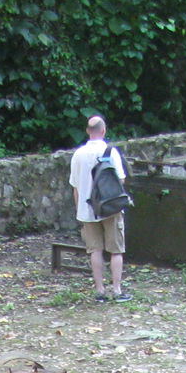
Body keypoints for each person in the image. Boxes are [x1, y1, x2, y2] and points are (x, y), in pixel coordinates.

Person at [69, 116, 130, 303]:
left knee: (95, 250)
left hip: (87, 209)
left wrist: (79, 210)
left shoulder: (78, 154)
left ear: (88, 131)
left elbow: (75, 186)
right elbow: (121, 180)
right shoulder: (110, 152)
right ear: (104, 131)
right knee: (116, 250)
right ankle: (117, 290)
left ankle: (99, 290)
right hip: (110, 207)